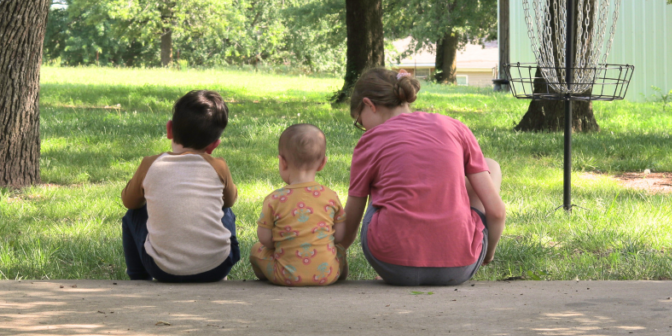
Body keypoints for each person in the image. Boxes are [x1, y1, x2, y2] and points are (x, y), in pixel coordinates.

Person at [342, 68, 505, 286]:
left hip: (391, 264)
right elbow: (496, 211)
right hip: (460, 266)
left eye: (360, 121)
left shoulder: (371, 140)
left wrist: (336, 251)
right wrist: (486, 252)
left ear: (369, 104)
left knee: (380, 184)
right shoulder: (455, 127)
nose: (364, 128)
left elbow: (350, 224)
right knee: (490, 166)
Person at [121, 90, 240, 282]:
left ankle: (138, 277)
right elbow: (230, 200)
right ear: (214, 145)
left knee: (133, 215)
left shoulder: (150, 164)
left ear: (169, 129)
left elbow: (129, 202)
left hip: (162, 270)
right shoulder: (218, 165)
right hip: (218, 267)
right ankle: (217, 263)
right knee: (226, 210)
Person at [251, 123, 348, 286]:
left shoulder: (274, 199)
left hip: (286, 276)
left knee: (256, 250)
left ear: (282, 162)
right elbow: (339, 236)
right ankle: (340, 275)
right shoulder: (331, 196)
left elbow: (265, 239)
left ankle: (265, 276)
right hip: (326, 275)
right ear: (323, 163)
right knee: (340, 251)